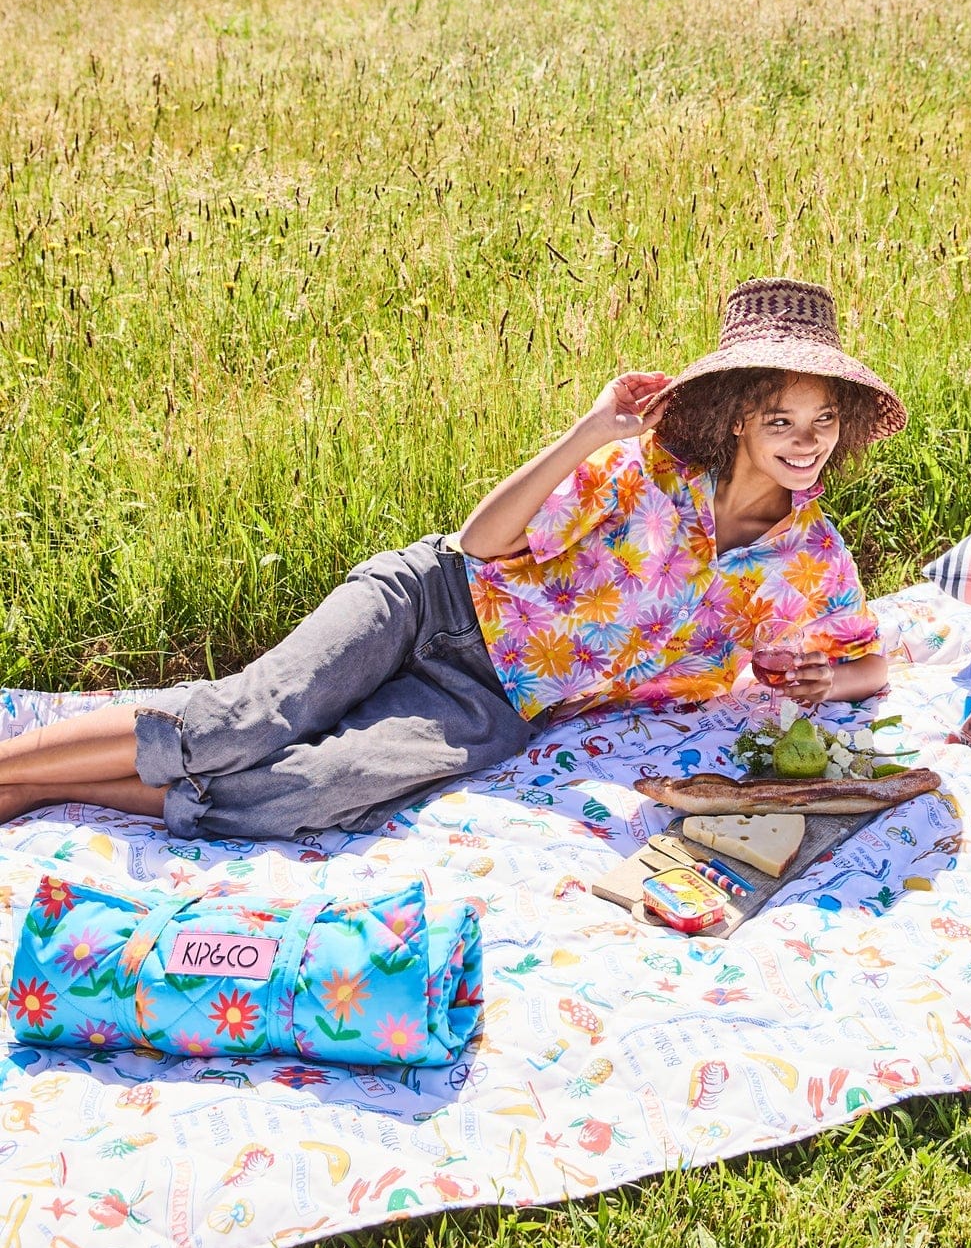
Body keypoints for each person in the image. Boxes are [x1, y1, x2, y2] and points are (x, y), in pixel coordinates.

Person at [0, 278, 906, 840]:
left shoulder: (808, 560)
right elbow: (478, 543)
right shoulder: (646, 469)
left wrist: (830, 682)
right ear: (742, 416)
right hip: (432, 602)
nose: (806, 441)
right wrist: (589, 429)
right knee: (241, 722)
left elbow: (869, 661)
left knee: (302, 793)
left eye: (823, 420)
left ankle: (40, 790)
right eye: (782, 418)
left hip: (493, 703)